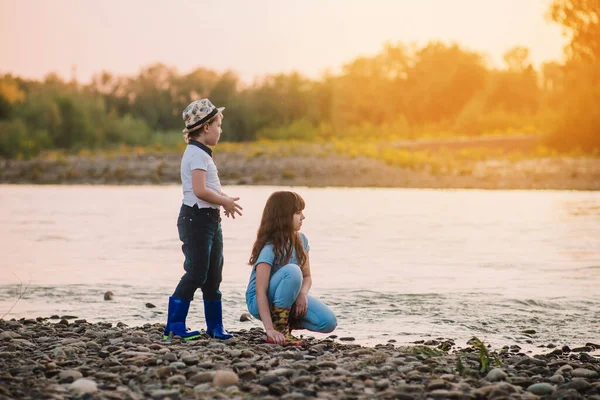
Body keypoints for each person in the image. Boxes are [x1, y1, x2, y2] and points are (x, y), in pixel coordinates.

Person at [163, 99, 242, 341]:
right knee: (196, 272)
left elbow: (209, 188)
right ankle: (174, 324)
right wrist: (224, 201)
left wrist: (223, 199)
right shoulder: (196, 155)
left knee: (213, 274)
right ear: (206, 127)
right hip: (195, 218)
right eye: (218, 125)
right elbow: (199, 191)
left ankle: (215, 326)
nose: (220, 130)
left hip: (210, 219)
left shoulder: (202, 154)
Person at [245, 191, 337, 346]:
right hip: (260, 302)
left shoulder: (301, 240)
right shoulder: (270, 247)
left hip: (290, 298)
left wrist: (302, 294)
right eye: (298, 213)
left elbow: (307, 276)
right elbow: (260, 292)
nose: (303, 217)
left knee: (328, 322)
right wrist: (269, 330)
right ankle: (279, 328)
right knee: (293, 270)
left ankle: (285, 323)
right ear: (284, 216)